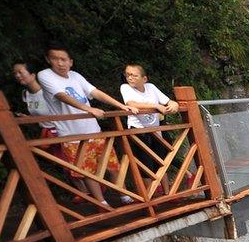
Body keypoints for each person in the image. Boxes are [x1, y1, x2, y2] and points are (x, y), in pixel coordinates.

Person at [37, 43, 138, 206]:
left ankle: (124, 196)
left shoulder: (76, 76)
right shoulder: (45, 75)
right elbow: (61, 95)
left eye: (63, 59)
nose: (60, 63)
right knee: (86, 172)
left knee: (112, 166)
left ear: (71, 62)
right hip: (72, 136)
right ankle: (101, 203)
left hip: (93, 130)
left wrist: (121, 106)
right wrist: (86, 108)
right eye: (55, 59)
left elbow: (95, 92)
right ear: (48, 60)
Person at [12, 61, 86, 196]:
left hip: (61, 131)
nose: (17, 76)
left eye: (20, 72)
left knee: (71, 163)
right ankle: (84, 193)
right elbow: (41, 114)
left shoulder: (48, 92)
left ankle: (89, 193)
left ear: (33, 75)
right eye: (15, 73)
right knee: (66, 165)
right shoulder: (26, 94)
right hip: (47, 134)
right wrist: (27, 118)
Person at [120, 64, 179, 192]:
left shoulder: (151, 87)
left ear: (144, 79)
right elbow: (131, 103)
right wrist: (156, 106)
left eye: (134, 75)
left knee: (160, 162)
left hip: (155, 129)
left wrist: (174, 104)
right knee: (145, 164)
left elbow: (167, 101)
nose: (130, 78)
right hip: (138, 130)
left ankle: (167, 193)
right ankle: (151, 195)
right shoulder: (125, 87)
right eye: (128, 74)